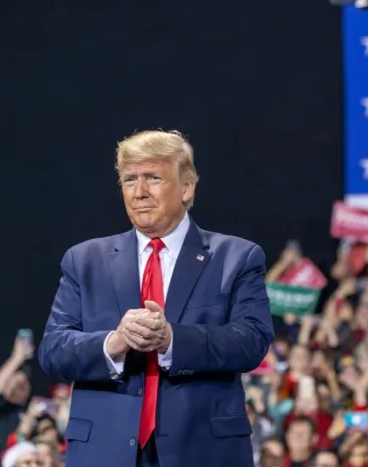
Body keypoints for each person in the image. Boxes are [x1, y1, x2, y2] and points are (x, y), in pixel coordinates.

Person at [38, 130, 274, 467]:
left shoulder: (236, 257)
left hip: (202, 450)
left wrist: (172, 339)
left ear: (187, 186)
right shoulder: (84, 260)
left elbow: (252, 340)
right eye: (130, 179)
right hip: (105, 452)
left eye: (153, 177)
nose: (139, 192)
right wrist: (114, 342)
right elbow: (53, 351)